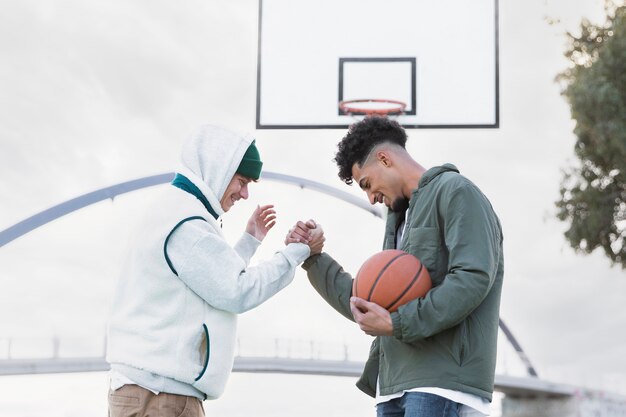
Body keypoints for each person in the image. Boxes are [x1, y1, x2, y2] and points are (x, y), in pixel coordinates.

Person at [288, 116, 504, 417]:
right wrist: (312, 257)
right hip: (391, 385)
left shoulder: (456, 191)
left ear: (384, 158)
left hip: (440, 384)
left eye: (367, 184)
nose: (371, 198)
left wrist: (396, 323)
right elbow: (369, 299)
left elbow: (472, 279)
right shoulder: (398, 218)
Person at [106, 124, 321, 417]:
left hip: (149, 391)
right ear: (218, 169)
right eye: (242, 181)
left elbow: (208, 281)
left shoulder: (173, 212)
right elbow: (236, 291)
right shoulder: (187, 224)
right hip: (161, 397)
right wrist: (297, 252)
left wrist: (249, 242)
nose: (245, 194)